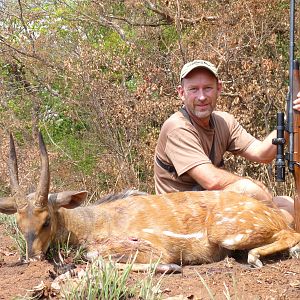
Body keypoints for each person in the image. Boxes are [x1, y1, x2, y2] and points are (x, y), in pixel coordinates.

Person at [154, 59, 300, 224]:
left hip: (207, 208)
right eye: (194, 89)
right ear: (181, 93)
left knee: (289, 204)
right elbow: (212, 180)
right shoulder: (177, 127)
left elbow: (262, 153)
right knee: (249, 191)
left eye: (208, 88)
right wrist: (253, 186)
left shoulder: (224, 121)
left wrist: (291, 119)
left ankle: (279, 233)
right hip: (180, 219)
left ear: (219, 88)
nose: (201, 97)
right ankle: (280, 235)